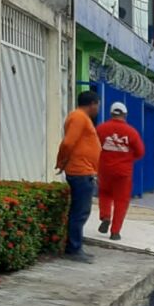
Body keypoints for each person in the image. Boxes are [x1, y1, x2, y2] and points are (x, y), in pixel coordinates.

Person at [56, 90, 102, 263]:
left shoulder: (80, 118)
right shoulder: (79, 117)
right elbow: (68, 142)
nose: (98, 108)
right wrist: (61, 161)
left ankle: (76, 246)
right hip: (80, 172)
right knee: (79, 212)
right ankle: (74, 248)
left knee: (81, 211)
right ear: (92, 104)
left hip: (85, 171)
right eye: (97, 104)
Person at [94, 102, 145, 241]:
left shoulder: (101, 129)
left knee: (104, 193)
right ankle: (115, 232)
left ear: (111, 114)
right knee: (121, 201)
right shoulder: (131, 132)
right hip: (123, 172)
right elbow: (140, 152)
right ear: (125, 115)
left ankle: (105, 216)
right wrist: (127, 158)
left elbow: (93, 146)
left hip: (104, 169)